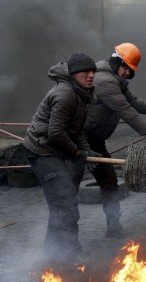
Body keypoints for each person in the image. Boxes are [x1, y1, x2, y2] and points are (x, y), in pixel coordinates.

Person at [84, 43, 146, 237]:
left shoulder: (116, 80)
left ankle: (113, 226)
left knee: (109, 182)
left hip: (95, 141)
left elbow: (133, 102)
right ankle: (63, 240)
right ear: (117, 63)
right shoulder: (104, 80)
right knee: (69, 185)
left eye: (130, 72)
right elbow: (126, 110)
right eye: (125, 69)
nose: (127, 74)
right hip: (78, 140)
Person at [22, 52, 99, 256]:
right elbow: (55, 133)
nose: (90, 75)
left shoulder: (83, 92)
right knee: (65, 204)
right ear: (73, 74)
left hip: (55, 149)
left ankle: (53, 251)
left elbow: (76, 128)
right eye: (85, 71)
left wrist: (85, 149)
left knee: (62, 202)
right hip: (42, 151)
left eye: (93, 71)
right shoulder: (65, 94)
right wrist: (77, 152)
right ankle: (67, 254)